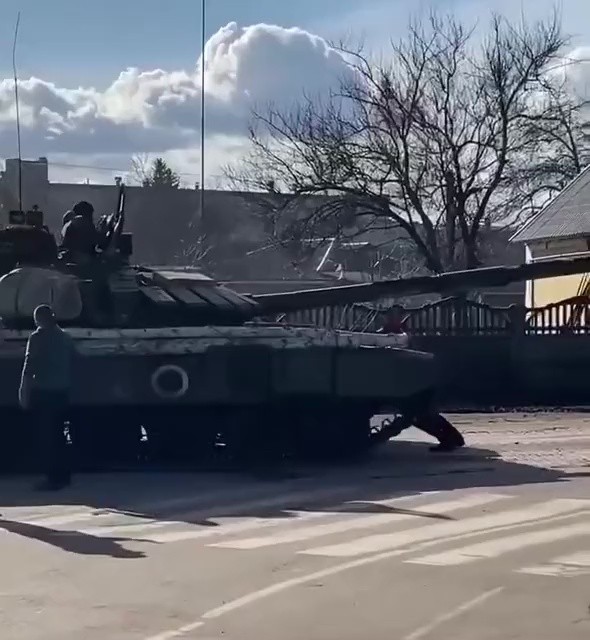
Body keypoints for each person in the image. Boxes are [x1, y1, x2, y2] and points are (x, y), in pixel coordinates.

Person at [19, 305, 76, 490]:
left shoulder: (37, 338)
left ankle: (52, 479)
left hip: (45, 392)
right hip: (63, 391)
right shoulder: (66, 338)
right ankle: (64, 476)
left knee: (47, 437)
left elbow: (29, 368)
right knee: (60, 435)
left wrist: (23, 393)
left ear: (38, 320)